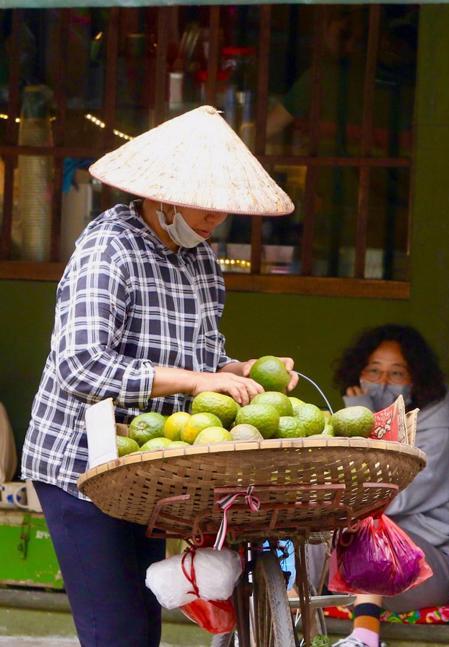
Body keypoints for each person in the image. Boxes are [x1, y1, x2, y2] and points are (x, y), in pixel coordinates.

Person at [20, 105, 297, 647]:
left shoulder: (200, 258)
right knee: (115, 631)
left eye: (221, 208)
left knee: (142, 628)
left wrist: (238, 373)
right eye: (204, 206)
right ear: (163, 195)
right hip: (79, 466)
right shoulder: (108, 249)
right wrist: (196, 384)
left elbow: (204, 358)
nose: (215, 218)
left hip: (145, 468)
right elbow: (81, 366)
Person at [326, 324, 449, 647]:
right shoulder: (345, 419)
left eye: (396, 374)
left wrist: (363, 418)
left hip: (431, 564)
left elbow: (380, 498)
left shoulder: (438, 433)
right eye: (373, 371)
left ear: (416, 381)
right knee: (308, 530)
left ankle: (365, 637)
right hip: (363, 571)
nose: (381, 382)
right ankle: (282, 627)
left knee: (369, 528)